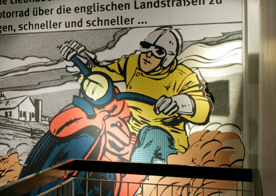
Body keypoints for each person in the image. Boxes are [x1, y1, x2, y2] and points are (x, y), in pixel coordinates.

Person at [62, 27, 212, 151]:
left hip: (167, 143)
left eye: (158, 51)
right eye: (146, 46)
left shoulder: (184, 76)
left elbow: (203, 110)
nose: (148, 54)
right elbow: (104, 74)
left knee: (153, 136)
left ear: (168, 58)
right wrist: (82, 67)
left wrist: (179, 103)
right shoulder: (132, 63)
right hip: (131, 137)